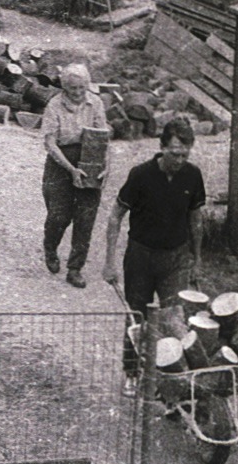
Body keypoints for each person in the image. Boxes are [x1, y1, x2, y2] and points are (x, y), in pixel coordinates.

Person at [103, 117, 205, 311]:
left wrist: (197, 259)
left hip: (176, 258)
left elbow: (196, 218)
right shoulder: (140, 175)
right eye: (174, 154)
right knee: (138, 316)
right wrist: (109, 262)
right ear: (162, 147)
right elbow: (116, 216)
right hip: (141, 257)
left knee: (174, 317)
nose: (179, 160)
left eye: (185, 155)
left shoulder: (193, 175)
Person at [41, 63, 109, 287]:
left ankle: (75, 268)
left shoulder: (95, 102)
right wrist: (71, 169)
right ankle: (50, 248)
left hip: (90, 158)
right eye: (72, 89)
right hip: (61, 162)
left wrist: (106, 165)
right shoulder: (54, 105)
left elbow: (103, 137)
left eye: (81, 87)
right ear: (64, 88)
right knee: (59, 216)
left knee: (85, 218)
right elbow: (50, 143)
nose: (78, 93)